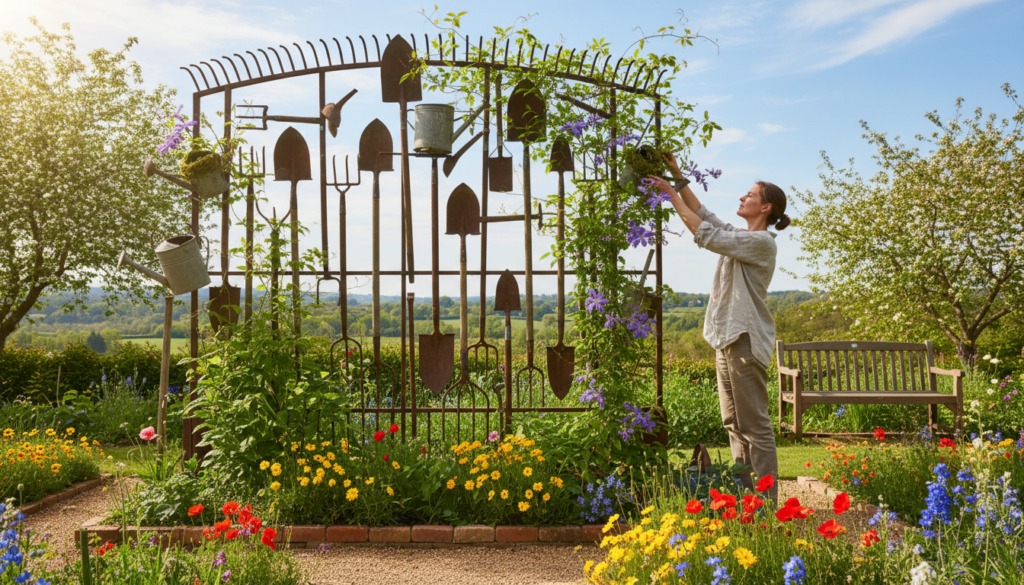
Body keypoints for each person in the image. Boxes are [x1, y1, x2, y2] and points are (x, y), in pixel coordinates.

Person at [648, 154, 790, 502]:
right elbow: (707, 216)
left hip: (744, 339)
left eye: (750, 195)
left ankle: (765, 504)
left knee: (754, 426)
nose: (742, 198)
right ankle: (745, 498)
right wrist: (678, 176)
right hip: (725, 339)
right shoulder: (742, 236)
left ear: (765, 207)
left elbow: (703, 231)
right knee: (732, 423)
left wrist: (670, 194)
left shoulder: (761, 243)